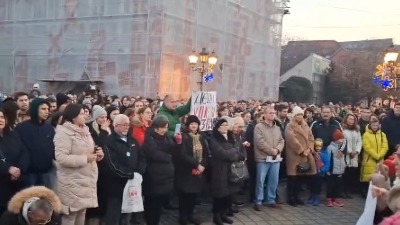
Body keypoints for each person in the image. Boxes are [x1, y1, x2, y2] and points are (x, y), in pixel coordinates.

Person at [54, 104, 104, 225]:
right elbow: (61, 158)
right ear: (73, 116)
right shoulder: (64, 132)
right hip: (72, 181)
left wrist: (98, 154)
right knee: (70, 216)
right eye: (81, 113)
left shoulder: (85, 130)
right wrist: (85, 158)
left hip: (86, 180)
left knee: (82, 213)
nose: (85, 116)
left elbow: (88, 150)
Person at [102, 114, 146, 225]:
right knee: (114, 216)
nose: (127, 127)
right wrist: (129, 174)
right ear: (116, 126)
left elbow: (142, 157)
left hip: (132, 186)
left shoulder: (132, 140)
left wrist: (139, 172)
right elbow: (112, 164)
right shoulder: (109, 142)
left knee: (127, 217)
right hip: (116, 186)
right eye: (124, 125)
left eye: (128, 124)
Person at [142, 115, 176, 225]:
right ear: (157, 127)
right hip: (153, 178)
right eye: (163, 127)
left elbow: (172, 149)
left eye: (166, 127)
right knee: (151, 205)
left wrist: (176, 141)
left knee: (158, 206)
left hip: (164, 178)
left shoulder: (166, 137)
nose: (165, 130)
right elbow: (154, 153)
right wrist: (168, 157)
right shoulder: (149, 137)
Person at [209, 118, 244, 225]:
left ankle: (224, 214)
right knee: (219, 194)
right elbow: (221, 153)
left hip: (231, 170)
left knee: (228, 194)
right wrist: (233, 152)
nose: (224, 127)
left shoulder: (230, 136)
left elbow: (237, 150)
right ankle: (217, 216)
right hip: (219, 170)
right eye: (222, 125)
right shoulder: (214, 138)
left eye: (226, 125)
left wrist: (232, 152)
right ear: (218, 127)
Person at [15, 98, 55, 188]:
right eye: (43, 109)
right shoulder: (21, 128)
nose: (47, 112)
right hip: (29, 173)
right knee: (30, 200)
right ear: (35, 109)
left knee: (45, 199)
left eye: (48, 109)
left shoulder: (49, 128)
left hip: (46, 172)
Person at [175, 115, 208, 225]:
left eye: (196, 124)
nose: (194, 126)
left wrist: (202, 165)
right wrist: (196, 164)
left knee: (193, 196)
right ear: (188, 125)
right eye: (192, 124)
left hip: (198, 172)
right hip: (186, 171)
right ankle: (183, 217)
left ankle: (191, 215)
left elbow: (206, 153)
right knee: (184, 196)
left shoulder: (201, 136)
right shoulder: (183, 136)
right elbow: (182, 154)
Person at [253, 107, 284, 211]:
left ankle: (271, 200)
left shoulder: (277, 128)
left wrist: (277, 150)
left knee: (273, 180)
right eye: (270, 113)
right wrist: (272, 151)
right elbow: (260, 142)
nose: (272, 115)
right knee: (260, 181)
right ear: (264, 115)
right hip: (263, 158)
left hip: (275, 158)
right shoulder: (259, 127)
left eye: (273, 113)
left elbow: (281, 141)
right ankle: (258, 201)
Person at [284, 106, 316, 207]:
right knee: (292, 178)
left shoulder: (305, 125)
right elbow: (292, 140)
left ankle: (297, 197)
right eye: (297, 114)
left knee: (300, 177)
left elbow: (311, 138)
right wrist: (302, 151)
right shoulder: (289, 126)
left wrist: (309, 149)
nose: (300, 116)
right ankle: (291, 198)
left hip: (306, 154)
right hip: (294, 155)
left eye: (301, 114)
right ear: (294, 115)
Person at [0, 109, 29, 216]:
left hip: (17, 182)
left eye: (2, 117)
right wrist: (8, 169)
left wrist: (19, 169)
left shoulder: (12, 135)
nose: (0, 120)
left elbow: (24, 152)